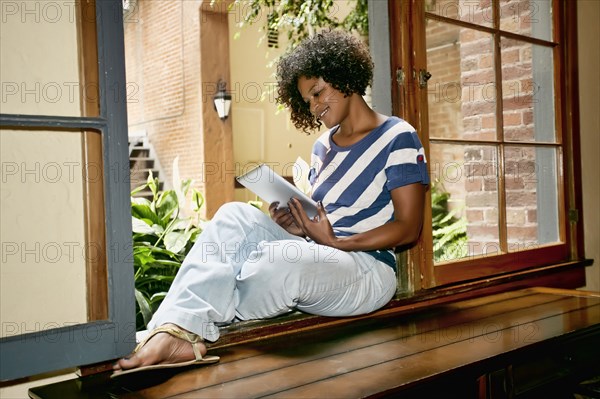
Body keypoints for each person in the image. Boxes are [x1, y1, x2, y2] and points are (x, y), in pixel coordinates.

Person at [113, 29, 429, 377]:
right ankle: (174, 330)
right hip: (323, 252)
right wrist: (298, 224)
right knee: (233, 215)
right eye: (306, 100)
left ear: (344, 76)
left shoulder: (398, 136)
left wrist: (336, 241)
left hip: (367, 268)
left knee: (276, 262)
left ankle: (189, 328)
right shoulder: (323, 147)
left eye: (317, 93)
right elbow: (326, 217)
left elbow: (408, 227)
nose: (313, 107)